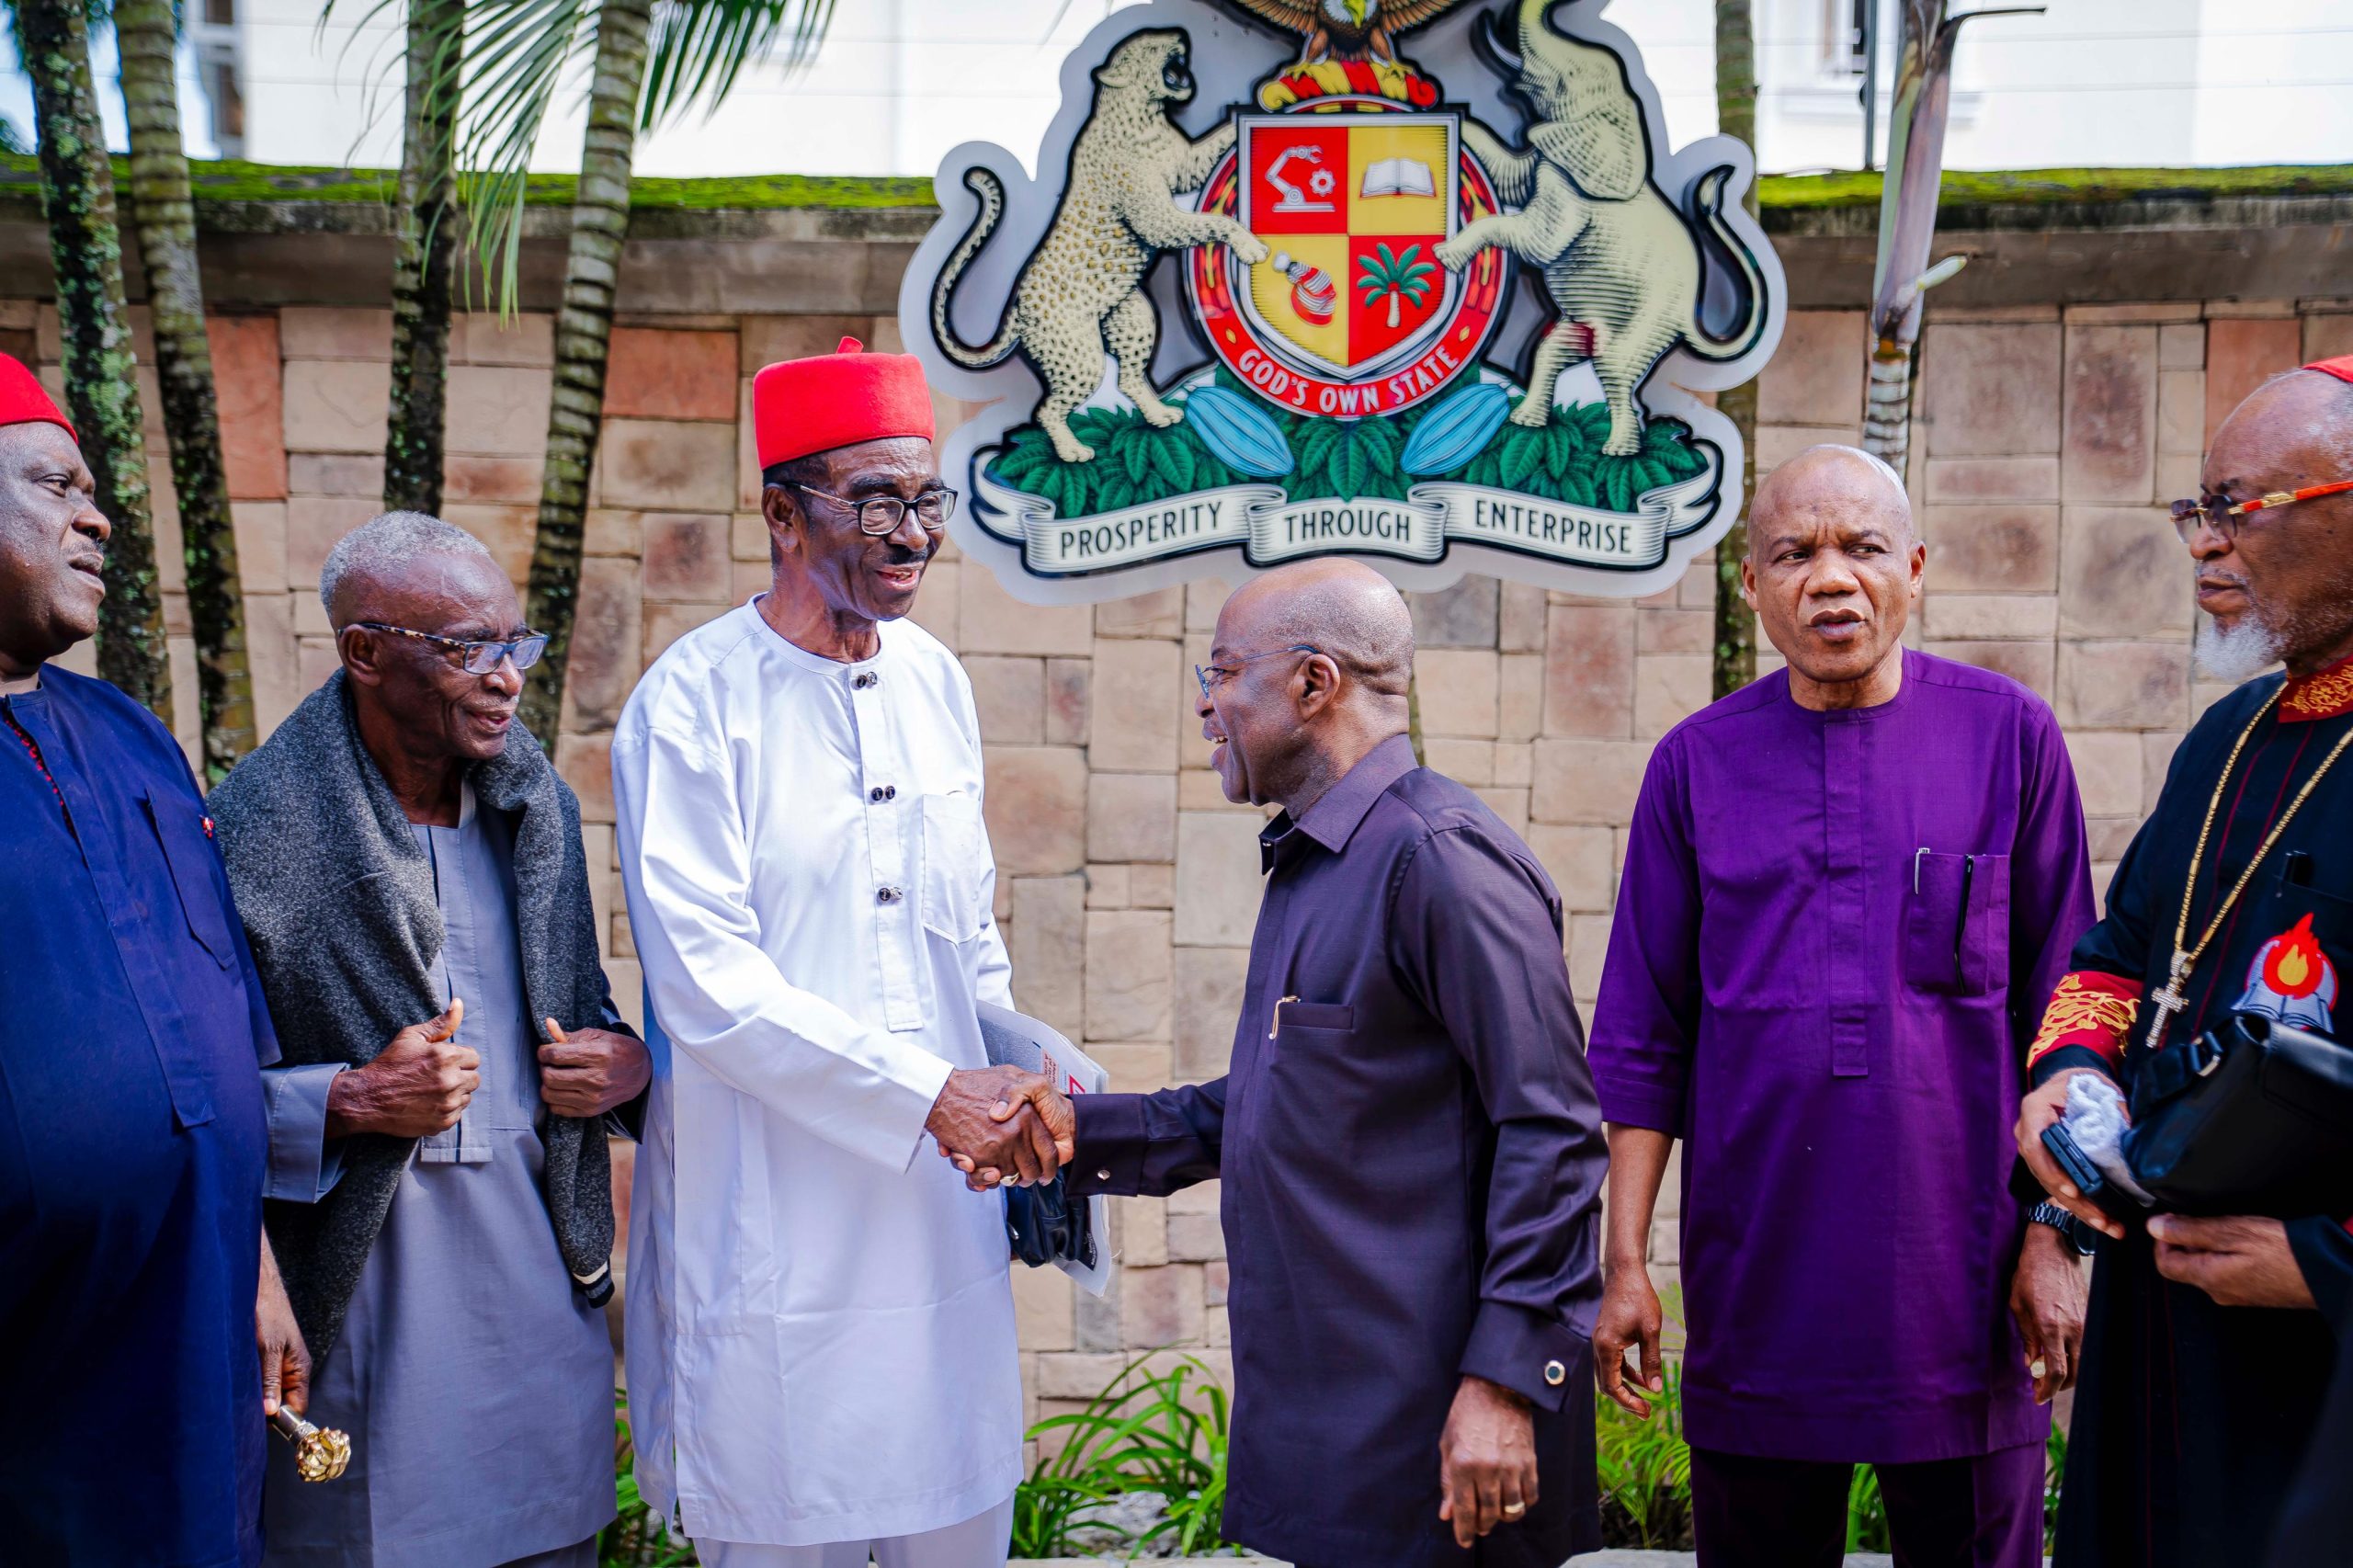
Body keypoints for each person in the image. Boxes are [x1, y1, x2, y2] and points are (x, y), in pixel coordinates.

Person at [974, 558, 1607, 1568]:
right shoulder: (1319, 862)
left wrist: (1504, 1383)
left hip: (1446, 1427)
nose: (1204, 702)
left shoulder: (1440, 860)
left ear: (1315, 683)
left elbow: (1554, 1131)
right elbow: (1278, 1105)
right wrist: (1071, 1128)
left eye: (1223, 672)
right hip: (1342, 1420)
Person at [1586, 446, 2097, 1568]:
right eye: (1793, 553)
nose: (1830, 577)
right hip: (1759, 1281)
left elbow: (2073, 1024)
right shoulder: (1693, 766)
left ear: (1913, 567)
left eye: (1862, 547)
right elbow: (1643, 1039)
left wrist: (2056, 1236)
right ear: (1750, 585)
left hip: (1967, 1285)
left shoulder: (2010, 739)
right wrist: (1623, 1265)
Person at [613, 337, 1062, 1568]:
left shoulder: (936, 682)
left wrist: (1024, 1078)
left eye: (927, 500)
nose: (911, 534)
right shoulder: (690, 703)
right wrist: (929, 1093)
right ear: (781, 513)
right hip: (772, 1226)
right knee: (780, 1511)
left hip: (942, 1216)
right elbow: (710, 989)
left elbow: (966, 936)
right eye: (874, 502)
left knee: (955, 1520)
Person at [209, 511, 649, 1568]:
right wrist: (351, 1097)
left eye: (514, 643)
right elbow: (187, 1087)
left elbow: (585, 1008)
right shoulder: (252, 830)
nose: (506, 677)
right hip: (364, 1330)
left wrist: (627, 1064)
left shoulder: (537, 813)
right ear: (364, 652)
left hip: (541, 1317)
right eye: (466, 647)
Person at [2016, 358, 2353, 1567]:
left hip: (2315, 1367)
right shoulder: (2225, 737)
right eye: (2195, 510)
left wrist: (2325, 1259)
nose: (2204, 544)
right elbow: (2121, 955)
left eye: (2237, 508)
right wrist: (2066, 1073)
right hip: (2160, 1312)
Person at [0, 350, 308, 1565]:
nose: (97, 518)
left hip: (192, 1324)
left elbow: (213, 1010)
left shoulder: (132, 735)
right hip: (37, 1360)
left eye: (93, 490)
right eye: (53, 485)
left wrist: (255, 1267)